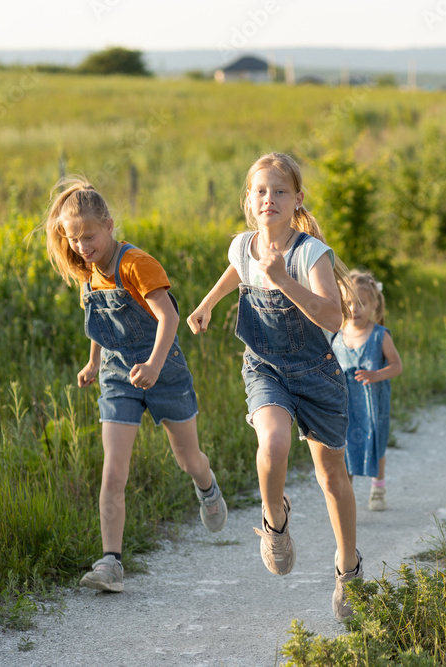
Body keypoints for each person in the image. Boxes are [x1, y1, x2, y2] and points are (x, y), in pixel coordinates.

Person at [186, 152, 362, 621]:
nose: (270, 199)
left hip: (317, 374)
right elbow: (236, 271)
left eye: (281, 191)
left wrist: (282, 279)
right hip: (265, 367)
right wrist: (206, 303)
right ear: (249, 199)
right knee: (274, 440)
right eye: (261, 191)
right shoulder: (242, 246)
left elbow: (332, 316)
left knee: (331, 478)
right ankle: (275, 522)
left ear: (297, 199)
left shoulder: (309, 254)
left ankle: (348, 570)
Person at [42, 177, 227, 593]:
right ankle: (111, 562)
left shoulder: (135, 263)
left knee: (188, 458)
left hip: (164, 370)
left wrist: (156, 363)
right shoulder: (89, 273)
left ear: (108, 225)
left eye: (89, 236)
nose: (82, 247)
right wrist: (92, 362)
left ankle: (207, 487)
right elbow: (100, 322)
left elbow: (169, 318)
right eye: (73, 240)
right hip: (117, 376)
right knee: (114, 472)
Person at [331, 270, 403, 511]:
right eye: (349, 303)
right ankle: (346, 494)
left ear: (374, 304)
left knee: (376, 442)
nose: (354, 308)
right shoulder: (336, 336)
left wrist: (375, 375)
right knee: (345, 446)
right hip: (346, 406)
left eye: (361, 303)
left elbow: (396, 366)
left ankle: (378, 488)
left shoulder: (380, 336)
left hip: (374, 404)